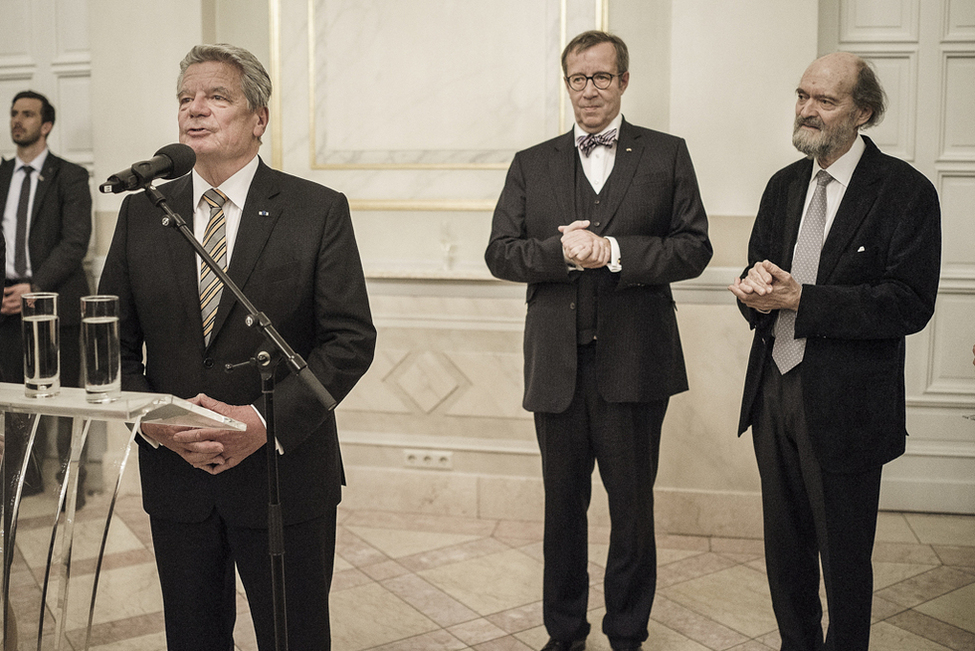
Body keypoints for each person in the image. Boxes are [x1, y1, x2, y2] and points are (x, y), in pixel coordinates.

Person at [98, 44, 375, 650]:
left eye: (216, 97)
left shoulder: (315, 209)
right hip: (178, 475)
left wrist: (261, 422)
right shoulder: (144, 213)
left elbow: (350, 340)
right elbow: (107, 346)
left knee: (294, 636)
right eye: (185, 99)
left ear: (259, 118)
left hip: (284, 471)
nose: (195, 111)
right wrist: (156, 424)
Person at [485, 30, 711, 651]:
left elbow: (695, 249)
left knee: (632, 513)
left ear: (624, 82)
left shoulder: (666, 155)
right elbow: (500, 253)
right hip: (557, 368)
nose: (589, 90)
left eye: (601, 78)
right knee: (563, 513)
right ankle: (564, 635)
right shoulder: (532, 162)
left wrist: (612, 251)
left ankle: (627, 634)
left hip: (637, 364)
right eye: (578, 79)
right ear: (567, 85)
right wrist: (560, 252)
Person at [729, 52, 941, 651]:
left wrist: (805, 301)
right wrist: (752, 294)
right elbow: (761, 279)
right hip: (774, 391)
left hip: (848, 404)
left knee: (844, 561)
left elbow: (908, 302)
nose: (807, 110)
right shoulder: (783, 184)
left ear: (863, 112)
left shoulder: (906, 191)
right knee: (785, 554)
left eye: (824, 100)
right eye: (802, 95)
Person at [0, 90, 92, 499]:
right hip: (5, 305)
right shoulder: (1, 175)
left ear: (47, 125)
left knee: (65, 395)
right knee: (13, 398)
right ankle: (23, 478)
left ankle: (71, 477)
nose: (18, 120)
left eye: (28, 114)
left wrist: (34, 289)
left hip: (55, 303)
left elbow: (75, 242)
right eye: (14, 114)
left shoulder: (70, 176)